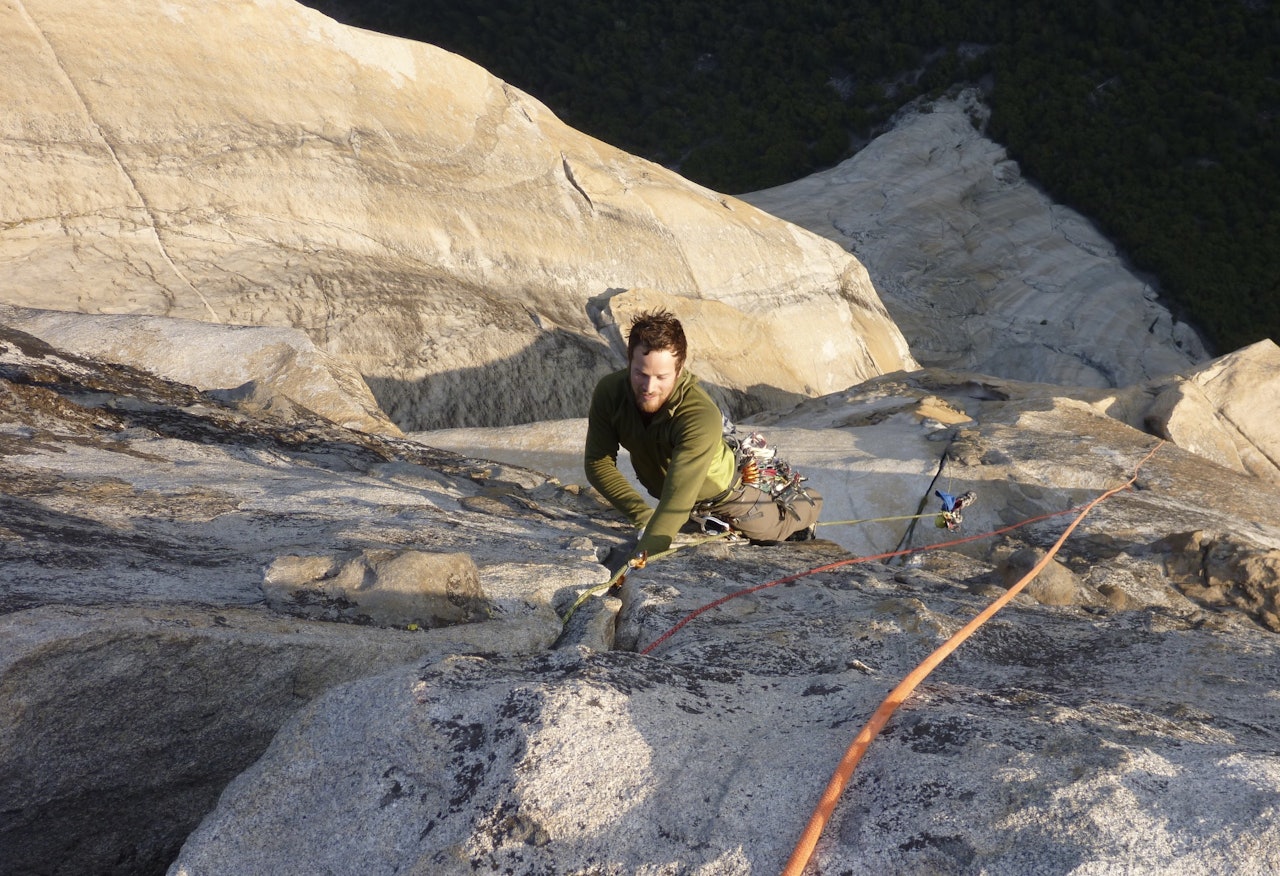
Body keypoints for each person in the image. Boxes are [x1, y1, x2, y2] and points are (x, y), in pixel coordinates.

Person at [584, 309, 822, 565]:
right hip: (676, 498)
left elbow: (679, 496)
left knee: (770, 533)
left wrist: (644, 557)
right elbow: (598, 462)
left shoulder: (698, 415)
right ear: (629, 361)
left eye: (661, 377)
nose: (649, 387)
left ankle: (809, 503)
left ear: (679, 370)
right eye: (640, 373)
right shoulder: (610, 393)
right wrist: (641, 514)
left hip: (727, 497)